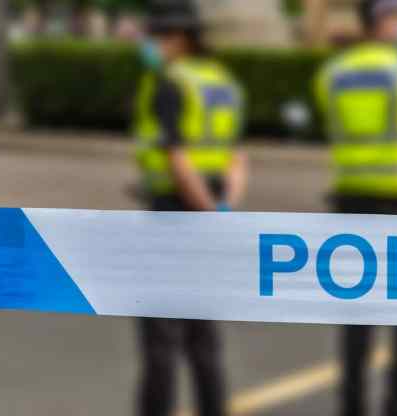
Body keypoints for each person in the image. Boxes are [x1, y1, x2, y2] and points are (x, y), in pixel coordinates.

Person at [314, 0, 397, 415]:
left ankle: (352, 407)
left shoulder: (332, 73)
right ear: (382, 20)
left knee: (356, 318)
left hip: (353, 201)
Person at [132, 1, 248, 415]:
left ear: (178, 38)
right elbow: (237, 156)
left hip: (173, 215)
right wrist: (222, 209)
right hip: (209, 214)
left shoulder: (171, 83)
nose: (151, 45)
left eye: (157, 36)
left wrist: (201, 208)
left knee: (161, 340)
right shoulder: (221, 83)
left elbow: (177, 158)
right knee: (203, 339)